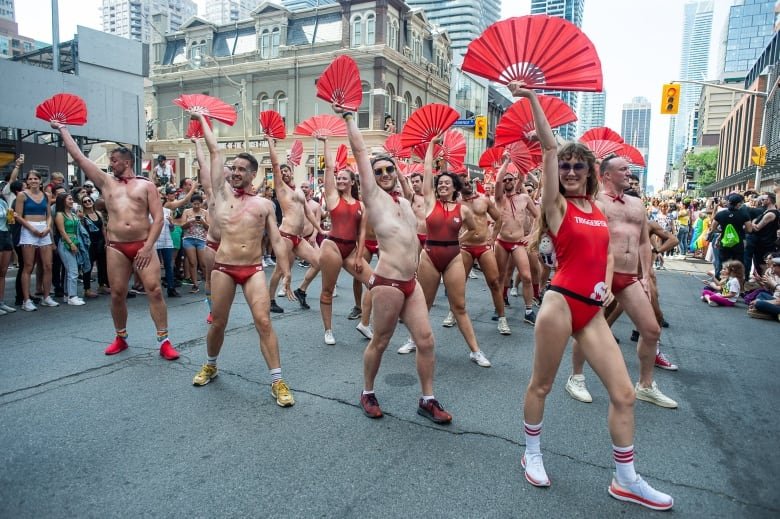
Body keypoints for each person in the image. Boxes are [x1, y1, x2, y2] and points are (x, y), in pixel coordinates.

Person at [516, 84, 673, 511]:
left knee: (623, 393)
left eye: (575, 166)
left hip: (591, 309)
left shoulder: (597, 207)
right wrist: (531, 98)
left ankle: (626, 479)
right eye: (564, 165)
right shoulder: (557, 208)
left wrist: (605, 284)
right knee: (543, 384)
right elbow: (550, 149)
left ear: (589, 172)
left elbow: (605, 250)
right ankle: (531, 452)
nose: (568, 171)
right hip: (561, 302)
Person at [335, 102, 452, 424]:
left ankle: (427, 399)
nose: (385, 175)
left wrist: (428, 147)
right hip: (387, 283)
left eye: (389, 170)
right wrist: (348, 117)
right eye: (379, 172)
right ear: (370, 179)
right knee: (381, 340)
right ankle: (367, 392)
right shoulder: (375, 200)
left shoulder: (405, 202)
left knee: (426, 340)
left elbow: (424, 181)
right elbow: (360, 152)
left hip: (410, 282)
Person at [190, 111, 296, 407]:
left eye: (241, 169)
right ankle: (211, 364)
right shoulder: (221, 195)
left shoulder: (264, 204)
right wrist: (202, 121)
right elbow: (215, 150)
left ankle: (277, 381)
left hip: (252, 270)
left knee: (263, 321)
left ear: (253, 174)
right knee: (219, 323)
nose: (234, 172)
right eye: (232, 168)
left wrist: (286, 271)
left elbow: (276, 239)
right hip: (223, 268)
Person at [52, 122, 179, 360]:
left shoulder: (146, 185)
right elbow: (79, 158)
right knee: (118, 293)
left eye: (114, 160)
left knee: (154, 291)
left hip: (143, 244)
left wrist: (148, 246)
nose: (110, 164)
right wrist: (63, 130)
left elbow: (159, 218)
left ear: (127, 162)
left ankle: (164, 340)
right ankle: (120, 337)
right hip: (117, 247)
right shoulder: (105, 182)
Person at [565, 154, 677, 409]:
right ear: (606, 175)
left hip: (629, 276)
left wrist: (647, 274)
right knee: (585, 328)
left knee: (651, 330)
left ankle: (646, 386)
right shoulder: (596, 203)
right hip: (598, 275)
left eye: (629, 169)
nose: (629, 173)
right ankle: (576, 377)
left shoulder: (637, 205)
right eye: (623, 169)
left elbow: (642, 243)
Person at [412, 137, 490, 367]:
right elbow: (427, 171)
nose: (443, 185)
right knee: (423, 304)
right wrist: (430, 146)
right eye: (441, 183)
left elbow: (475, 231)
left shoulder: (463, 210)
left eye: (448, 183)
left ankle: (475, 351)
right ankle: (413, 339)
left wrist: (459, 240)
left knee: (459, 306)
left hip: (453, 256)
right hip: (430, 256)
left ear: (455, 187)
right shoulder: (429, 202)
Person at [315, 136, 372, 345]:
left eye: (343, 179)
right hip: (332, 246)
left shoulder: (361, 204)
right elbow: (329, 167)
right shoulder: (332, 198)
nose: (339, 181)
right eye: (338, 178)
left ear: (352, 182)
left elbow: (362, 234)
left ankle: (365, 323)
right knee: (327, 290)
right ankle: (328, 330)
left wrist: (359, 257)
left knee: (375, 283)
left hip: (350, 250)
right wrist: (325, 142)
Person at [456, 159, 507, 334]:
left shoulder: (484, 200)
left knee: (494, 282)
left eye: (469, 182)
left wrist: (493, 238)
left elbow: (499, 218)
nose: (468, 185)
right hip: (465, 248)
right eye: (464, 183)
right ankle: (452, 313)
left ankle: (502, 318)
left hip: (484, 247)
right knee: (458, 282)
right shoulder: (457, 203)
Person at [267, 158, 323, 313]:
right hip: (286, 236)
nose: (284, 173)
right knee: (280, 271)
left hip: (298, 238)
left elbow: (309, 213)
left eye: (286, 170)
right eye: (281, 171)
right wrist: (271, 141)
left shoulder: (298, 191)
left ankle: (301, 290)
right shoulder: (281, 188)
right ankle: (270, 300)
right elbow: (275, 164)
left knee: (318, 262)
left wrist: (320, 229)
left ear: (291, 172)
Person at [494, 157, 540, 325]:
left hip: (519, 242)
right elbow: (498, 180)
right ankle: (499, 307)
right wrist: (506, 161)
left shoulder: (525, 199)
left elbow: (538, 217)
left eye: (509, 179)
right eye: (505, 179)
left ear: (515, 181)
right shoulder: (499, 198)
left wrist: (532, 235)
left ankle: (528, 311)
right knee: (501, 276)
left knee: (526, 276)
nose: (506, 181)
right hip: (501, 242)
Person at [15, 170, 58, 311]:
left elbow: (49, 214)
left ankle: (46, 297)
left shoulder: (46, 195)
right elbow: (18, 216)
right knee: (28, 266)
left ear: (40, 181)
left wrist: (47, 227)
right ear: (27, 181)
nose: (33, 181)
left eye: (36, 178)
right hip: (29, 229)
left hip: (44, 229)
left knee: (47, 265)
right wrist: (32, 229)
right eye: (31, 179)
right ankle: (26, 300)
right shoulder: (22, 195)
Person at [54, 193, 86, 306]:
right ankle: (72, 296)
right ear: (63, 201)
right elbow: (62, 232)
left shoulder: (72, 213)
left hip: (75, 242)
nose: (72, 201)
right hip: (65, 243)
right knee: (73, 271)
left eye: (72, 199)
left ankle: (67, 295)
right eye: (69, 199)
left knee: (69, 271)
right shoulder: (59, 215)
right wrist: (71, 243)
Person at [177, 192, 209, 294]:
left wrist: (203, 222)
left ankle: (209, 283)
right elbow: (182, 226)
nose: (196, 205)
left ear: (201, 203)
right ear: (191, 203)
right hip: (188, 238)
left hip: (202, 239)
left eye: (198, 203)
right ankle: (195, 284)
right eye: (194, 204)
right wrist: (189, 222)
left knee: (203, 263)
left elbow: (209, 227)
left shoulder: (205, 212)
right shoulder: (186, 212)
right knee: (192, 262)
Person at [80, 193, 108, 298]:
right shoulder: (82, 216)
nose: (87, 203)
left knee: (102, 264)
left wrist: (106, 241)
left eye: (89, 201)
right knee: (88, 266)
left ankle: (102, 285)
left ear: (92, 202)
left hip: (100, 242)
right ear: (82, 204)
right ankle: (87, 289)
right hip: (89, 243)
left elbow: (103, 229)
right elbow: (81, 230)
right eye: (85, 201)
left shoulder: (98, 214)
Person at [750, 192, 779, 276]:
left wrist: (752, 223)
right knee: (759, 262)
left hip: (765, 242)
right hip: (762, 241)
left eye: (763, 199)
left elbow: (757, 228)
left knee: (763, 264)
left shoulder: (770, 213)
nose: (761, 201)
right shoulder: (767, 211)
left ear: (769, 200)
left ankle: (765, 282)